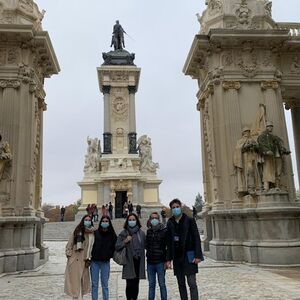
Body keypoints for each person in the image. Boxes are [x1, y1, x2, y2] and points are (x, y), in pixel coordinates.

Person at [166, 199, 203, 300]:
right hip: (177, 257)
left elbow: (196, 238)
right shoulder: (170, 222)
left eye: (177, 207)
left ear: (181, 207)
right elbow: (169, 242)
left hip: (189, 255)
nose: (175, 209)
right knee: (181, 284)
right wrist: (168, 259)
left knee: (192, 283)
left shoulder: (190, 220)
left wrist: (198, 255)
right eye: (173, 208)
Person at [115, 213, 146, 300]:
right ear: (127, 221)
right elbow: (117, 246)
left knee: (136, 283)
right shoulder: (124, 233)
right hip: (129, 261)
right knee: (129, 283)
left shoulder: (142, 233)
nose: (132, 221)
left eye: (133, 220)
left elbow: (145, 245)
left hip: (139, 260)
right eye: (130, 220)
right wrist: (125, 241)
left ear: (137, 221)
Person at [64, 215, 95, 300]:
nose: (87, 221)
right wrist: (69, 255)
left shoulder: (92, 233)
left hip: (85, 260)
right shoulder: (78, 231)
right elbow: (69, 244)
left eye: (89, 220)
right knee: (75, 284)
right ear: (83, 220)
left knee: (82, 283)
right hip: (75, 260)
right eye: (86, 220)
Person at [257, 121, 291, 191]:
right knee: (267, 171)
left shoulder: (275, 137)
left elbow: (280, 145)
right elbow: (261, 145)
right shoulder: (262, 136)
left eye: (271, 126)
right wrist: (266, 151)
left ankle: (277, 186)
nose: (271, 128)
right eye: (269, 126)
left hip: (277, 156)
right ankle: (266, 187)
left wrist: (284, 150)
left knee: (278, 172)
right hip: (268, 157)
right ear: (266, 127)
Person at [90, 216, 117, 300]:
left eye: (106, 221)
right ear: (101, 222)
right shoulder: (95, 233)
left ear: (109, 223)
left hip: (105, 262)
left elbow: (115, 246)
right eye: (103, 221)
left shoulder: (112, 234)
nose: (105, 223)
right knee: (94, 284)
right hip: (95, 262)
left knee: (105, 284)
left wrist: (110, 254)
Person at [145, 212, 167, 300]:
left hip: (160, 262)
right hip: (150, 262)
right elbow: (146, 245)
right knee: (151, 285)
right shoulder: (148, 231)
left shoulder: (164, 231)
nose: (154, 220)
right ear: (150, 220)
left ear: (159, 219)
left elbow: (166, 246)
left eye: (156, 218)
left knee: (162, 284)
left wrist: (167, 260)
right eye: (152, 218)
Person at [233, 127, 260, 194]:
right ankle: (250, 188)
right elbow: (238, 149)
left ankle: (257, 187)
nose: (247, 132)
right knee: (249, 171)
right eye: (246, 131)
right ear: (243, 133)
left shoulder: (252, 140)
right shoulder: (240, 141)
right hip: (245, 159)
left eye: (248, 131)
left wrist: (254, 146)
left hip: (253, 158)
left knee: (255, 172)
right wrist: (246, 146)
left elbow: (257, 148)